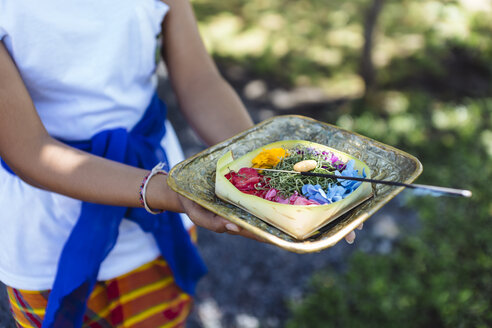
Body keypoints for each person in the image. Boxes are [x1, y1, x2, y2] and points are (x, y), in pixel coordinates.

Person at [0, 0, 360, 326]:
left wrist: (266, 172)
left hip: (156, 228)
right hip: (47, 235)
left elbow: (198, 80)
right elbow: (29, 149)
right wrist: (176, 192)